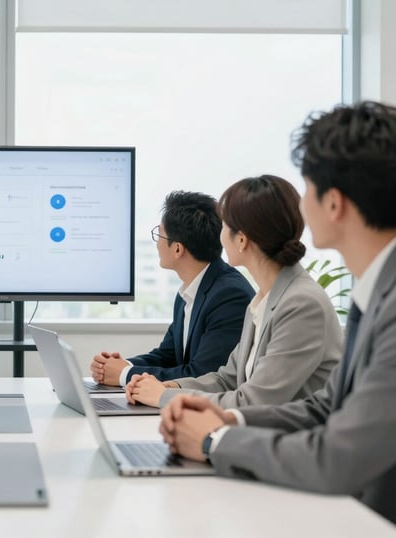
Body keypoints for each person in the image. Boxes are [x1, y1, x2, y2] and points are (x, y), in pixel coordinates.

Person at [159, 101, 396, 523]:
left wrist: (215, 441)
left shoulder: (372, 302)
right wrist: (226, 415)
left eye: (307, 189)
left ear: (335, 203)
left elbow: (338, 458)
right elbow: (325, 407)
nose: (301, 207)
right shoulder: (377, 292)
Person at [126, 175, 342, 408]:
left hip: (291, 439)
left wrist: (162, 397)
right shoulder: (262, 300)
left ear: (241, 240)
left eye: (225, 225)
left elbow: (254, 400)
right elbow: (227, 378)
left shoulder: (301, 304)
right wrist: (173, 387)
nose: (219, 234)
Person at [91, 191, 254, 386]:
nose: (157, 242)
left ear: (177, 249)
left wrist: (124, 374)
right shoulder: (189, 291)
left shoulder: (229, 296)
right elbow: (168, 356)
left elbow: (202, 374)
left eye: (159, 234)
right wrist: (119, 365)